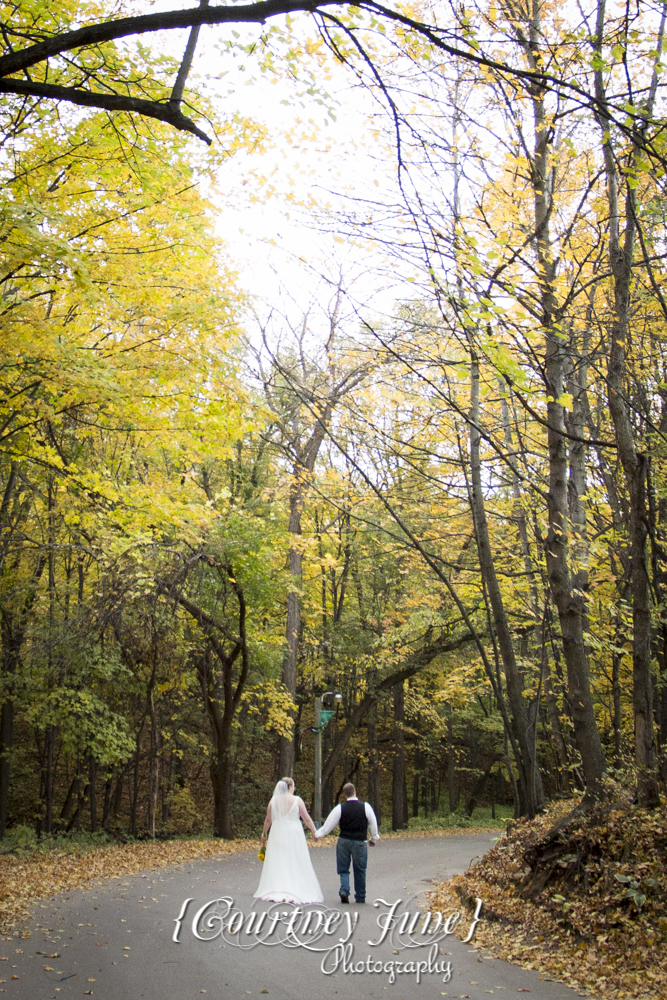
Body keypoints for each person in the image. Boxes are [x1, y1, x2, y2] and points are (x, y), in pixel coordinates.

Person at [254, 777, 324, 905]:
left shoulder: (273, 801)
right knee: (294, 858)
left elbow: (268, 819)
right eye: (293, 786)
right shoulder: (297, 800)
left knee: (279, 858)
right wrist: (315, 831)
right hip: (293, 832)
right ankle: (294, 886)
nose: (294, 789)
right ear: (290, 787)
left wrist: (264, 833)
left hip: (277, 831)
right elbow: (306, 818)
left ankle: (278, 886)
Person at [315, 782, 380, 904]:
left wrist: (318, 835)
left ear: (345, 794)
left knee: (343, 868)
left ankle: (344, 890)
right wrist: (373, 838)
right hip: (360, 841)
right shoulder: (365, 807)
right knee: (360, 869)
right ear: (355, 792)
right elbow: (373, 824)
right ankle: (360, 895)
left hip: (343, 841)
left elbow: (329, 825)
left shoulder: (340, 808)